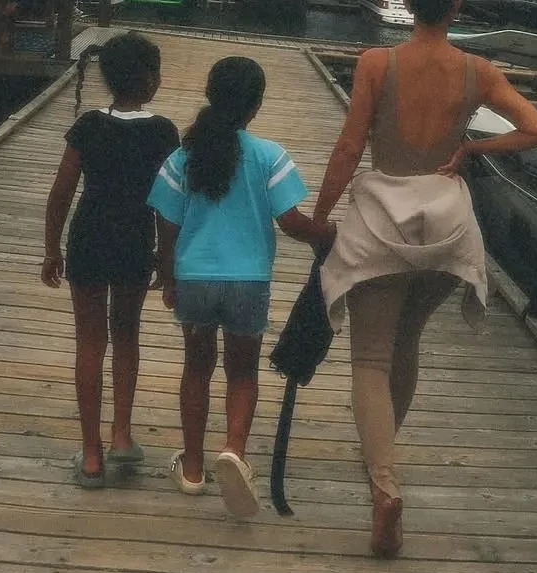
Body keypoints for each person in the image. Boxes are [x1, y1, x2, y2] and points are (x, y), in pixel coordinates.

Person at [312, 0, 537, 557]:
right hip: (447, 226)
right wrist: (472, 147)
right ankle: (383, 457)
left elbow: (349, 146)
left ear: (407, 1)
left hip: (383, 221)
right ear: (456, 7)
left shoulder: (377, 63)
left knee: (370, 357)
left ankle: (384, 484)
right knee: (408, 340)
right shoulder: (478, 71)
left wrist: (320, 216)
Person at [148, 56, 334, 519]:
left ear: (210, 95)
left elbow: (166, 225)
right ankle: (233, 450)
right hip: (248, 283)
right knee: (243, 372)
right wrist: (328, 235)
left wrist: (167, 277)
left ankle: (193, 468)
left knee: (197, 368)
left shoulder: (182, 158)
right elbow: (291, 222)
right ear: (256, 106)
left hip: (195, 279)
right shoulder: (269, 156)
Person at [42, 32, 179, 488]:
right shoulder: (163, 132)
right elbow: (166, 204)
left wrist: (51, 248)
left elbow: (61, 193)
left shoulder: (87, 126)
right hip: (134, 241)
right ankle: (121, 434)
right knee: (126, 335)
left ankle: (92, 455)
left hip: (89, 237)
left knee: (89, 342)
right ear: (150, 80)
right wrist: (167, 260)